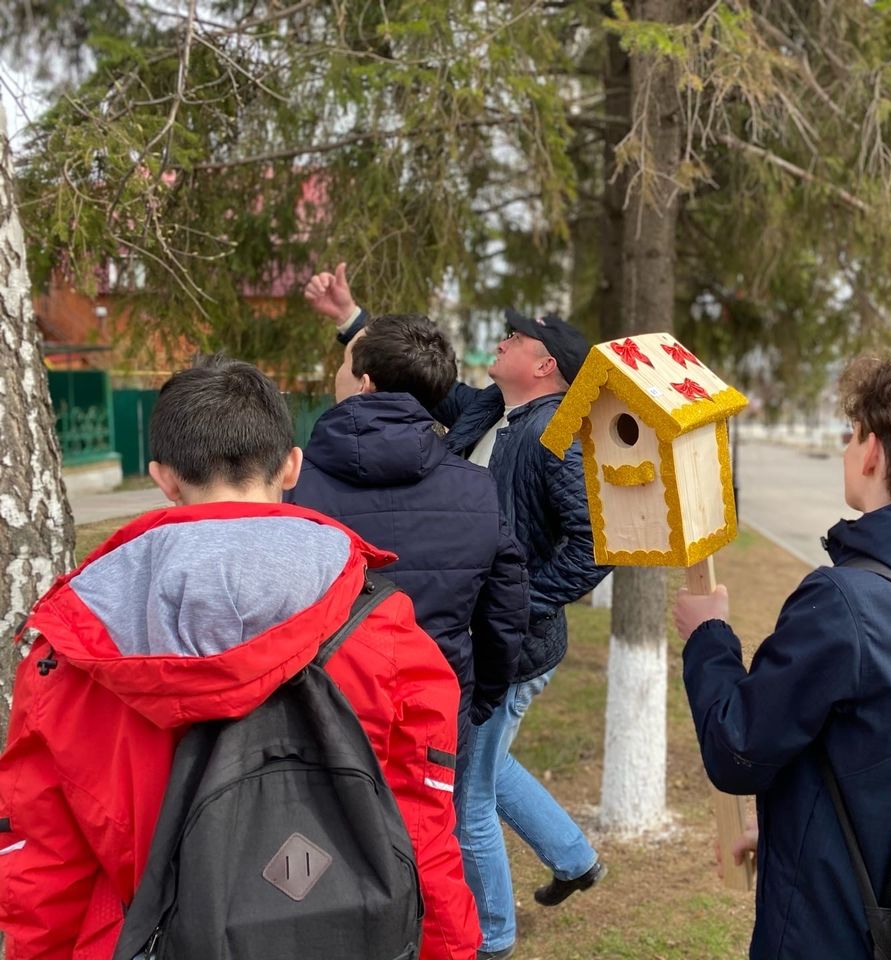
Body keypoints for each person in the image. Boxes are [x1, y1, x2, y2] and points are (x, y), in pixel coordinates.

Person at [0, 358, 480, 958]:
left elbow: (43, 865)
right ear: (292, 465)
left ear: (164, 478)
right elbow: (422, 831)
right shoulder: (385, 630)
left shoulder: (73, 648)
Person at [305, 265, 609, 960]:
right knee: (485, 765)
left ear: (544, 364)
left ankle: (492, 937)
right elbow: (419, 380)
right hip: (482, 635)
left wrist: (522, 600)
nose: (498, 343)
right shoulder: (485, 411)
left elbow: (594, 547)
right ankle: (574, 859)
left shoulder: (552, 437)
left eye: (513, 338)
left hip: (515, 639)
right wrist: (352, 315)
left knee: (466, 798)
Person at [673, 350, 891, 960]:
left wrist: (709, 637)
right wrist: (786, 828)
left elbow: (738, 750)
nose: (846, 448)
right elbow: (887, 749)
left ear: (873, 451)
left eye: (850, 433)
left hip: (829, 925)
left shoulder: (845, 601)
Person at [287, 313, 528, 771]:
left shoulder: (293, 487)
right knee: (430, 839)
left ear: (364, 382)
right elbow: (506, 610)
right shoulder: (477, 488)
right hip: (435, 708)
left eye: (345, 362)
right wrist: (477, 698)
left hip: (322, 711)